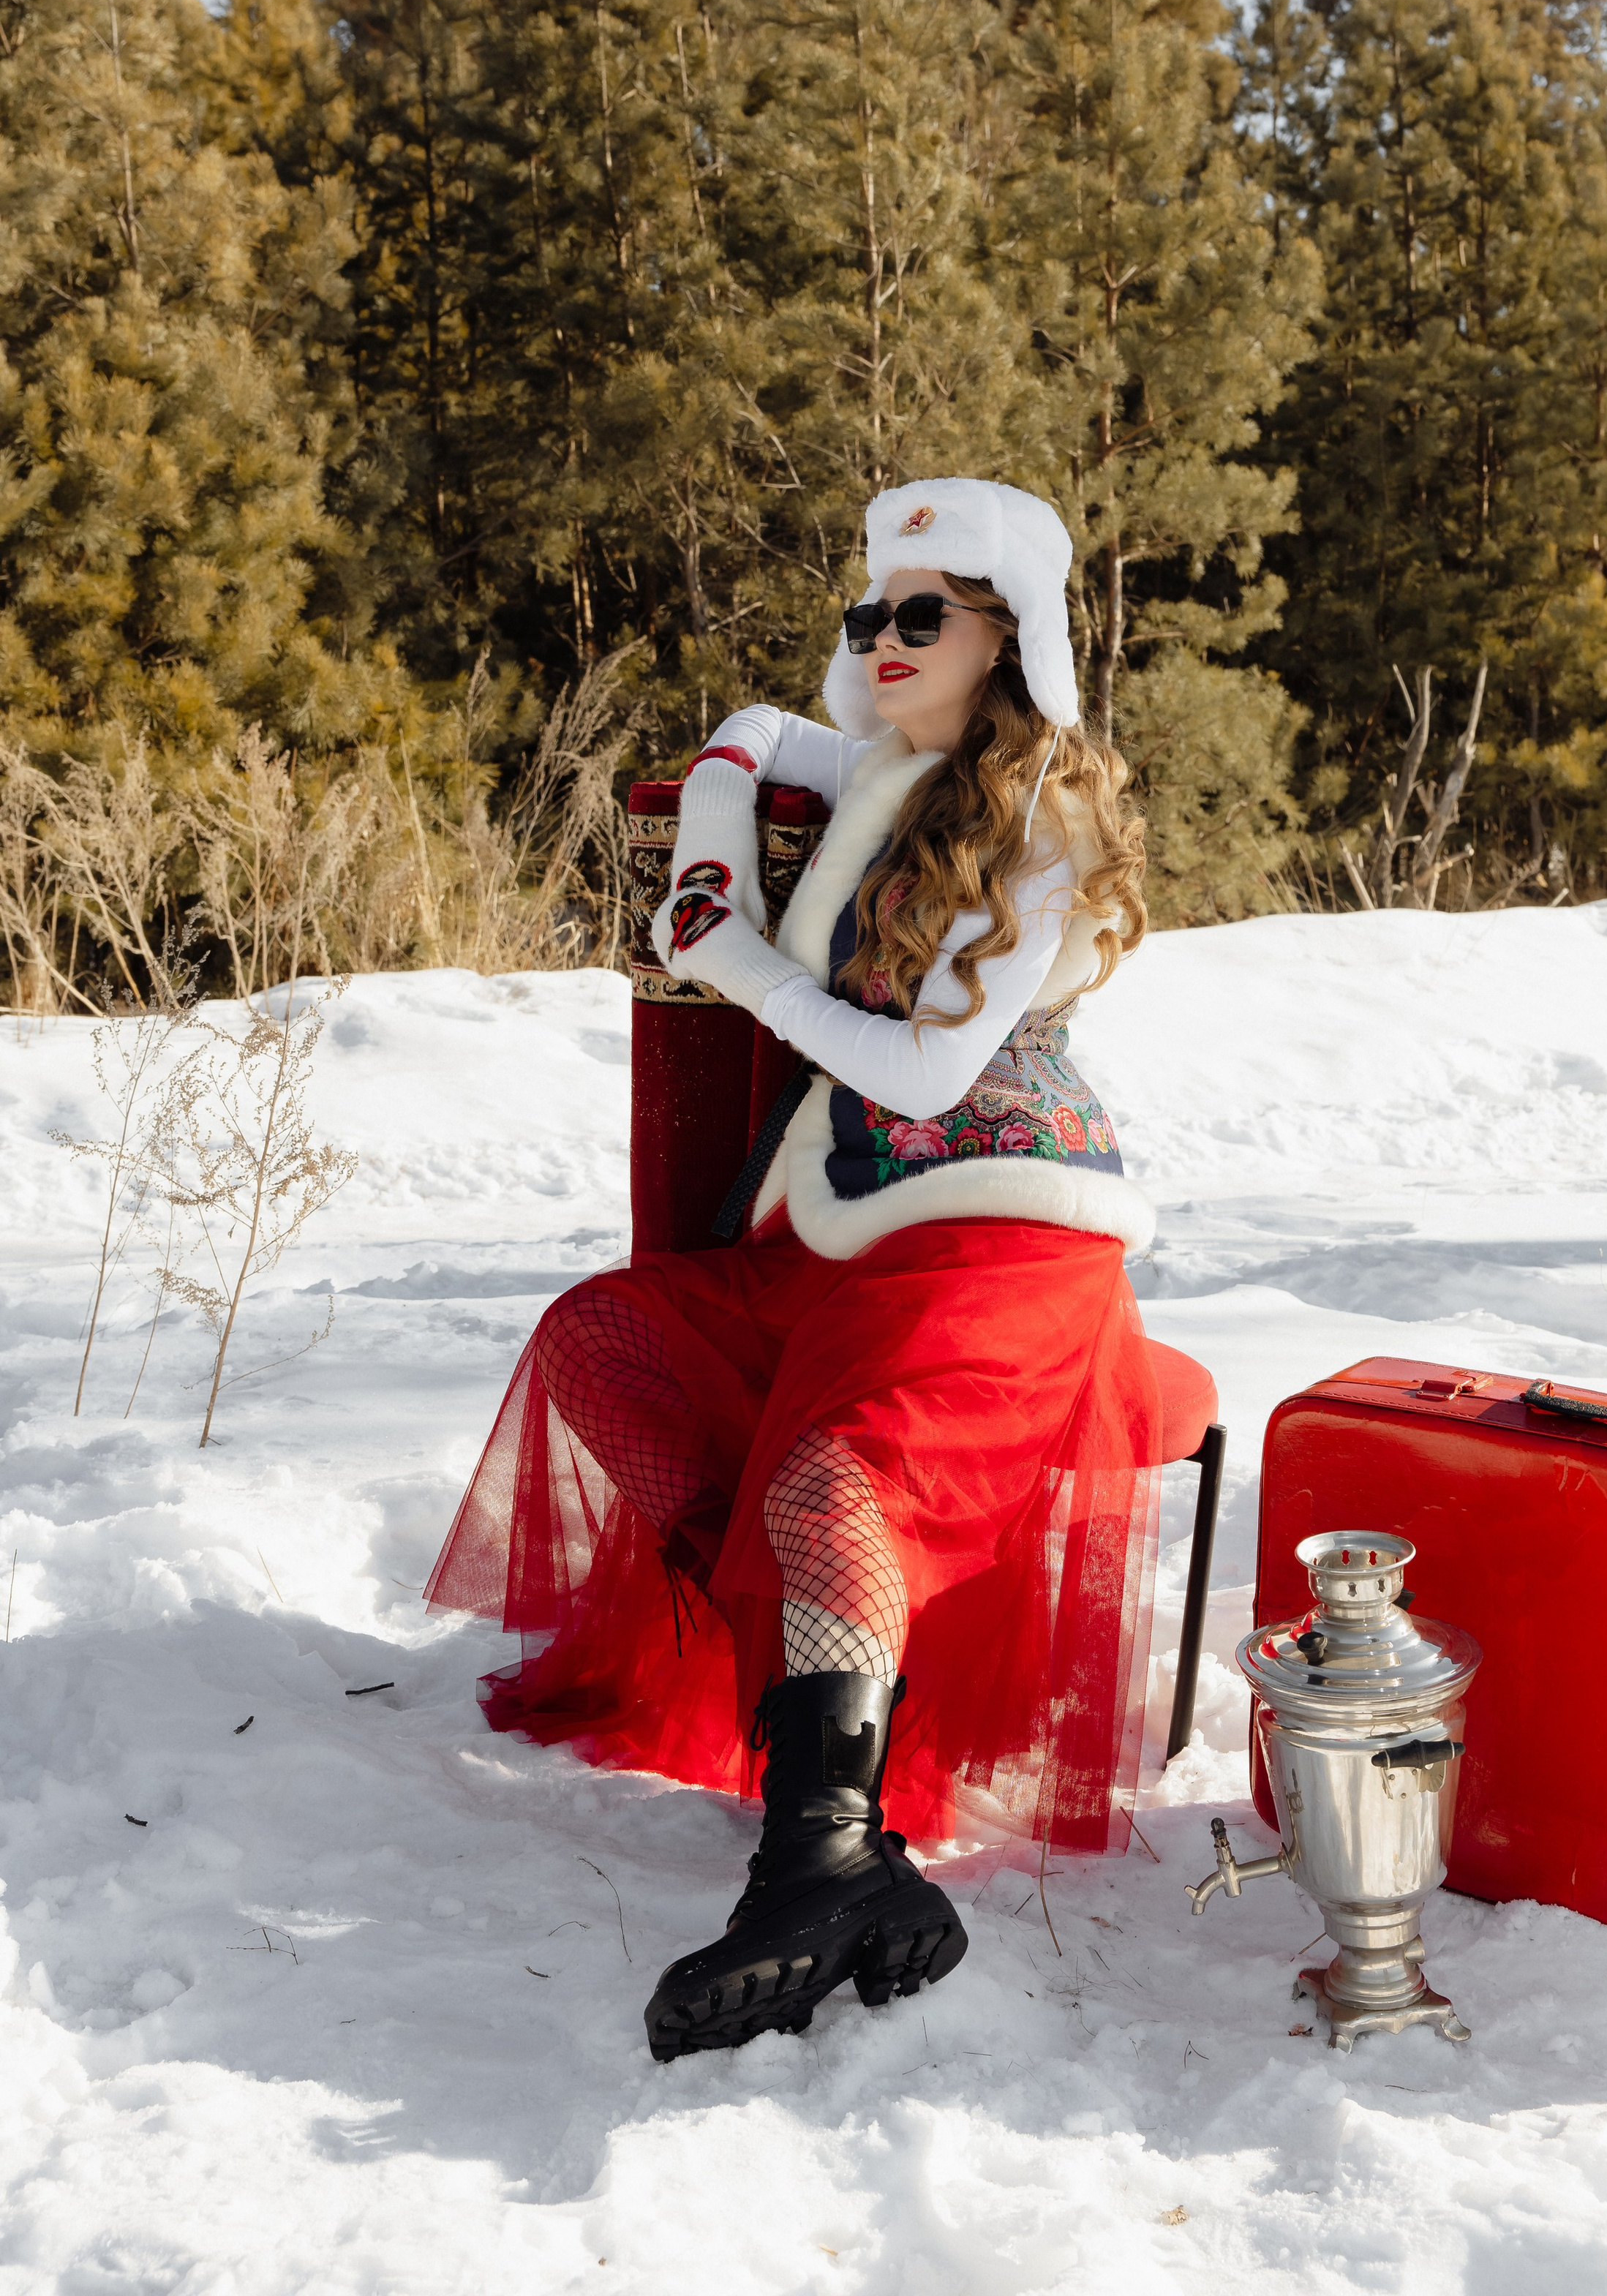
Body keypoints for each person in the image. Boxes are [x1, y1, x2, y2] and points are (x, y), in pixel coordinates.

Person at [426, 477, 1162, 2063]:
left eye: (920, 614)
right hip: (837, 1229)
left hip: (1003, 1233)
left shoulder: (1049, 816)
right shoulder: (897, 768)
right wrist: (712, 830)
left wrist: (738, 961)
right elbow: (760, 734)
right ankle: (814, 1735)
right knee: (601, 1341)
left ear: (1008, 634)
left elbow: (919, 1072)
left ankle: (819, 1853)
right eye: (865, 616)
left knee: (828, 1485)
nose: (879, 640)